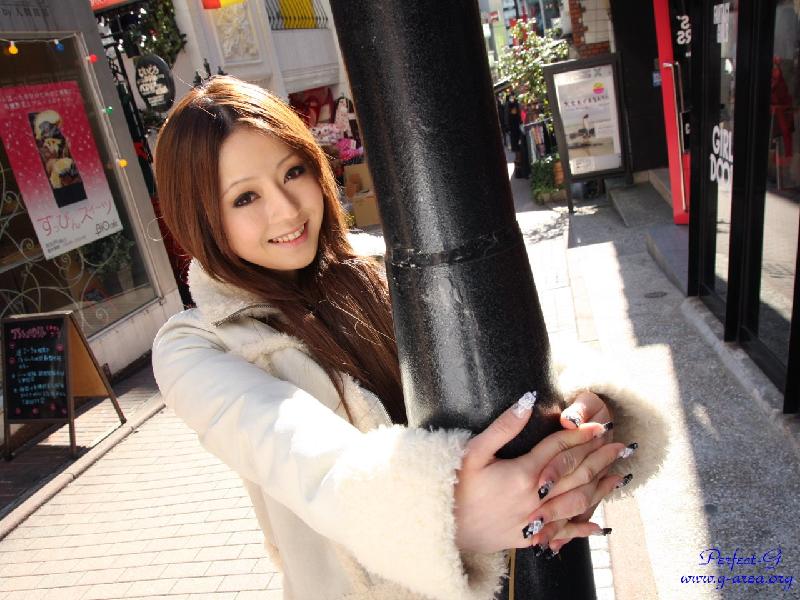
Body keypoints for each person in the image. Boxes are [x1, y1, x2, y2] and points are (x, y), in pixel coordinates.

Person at [152, 76, 661, 600]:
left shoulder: (381, 266)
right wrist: (444, 513)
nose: (285, 209)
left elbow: (510, 351)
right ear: (200, 218)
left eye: (293, 171)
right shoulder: (196, 345)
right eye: (245, 197)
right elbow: (296, 450)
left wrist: (581, 407)